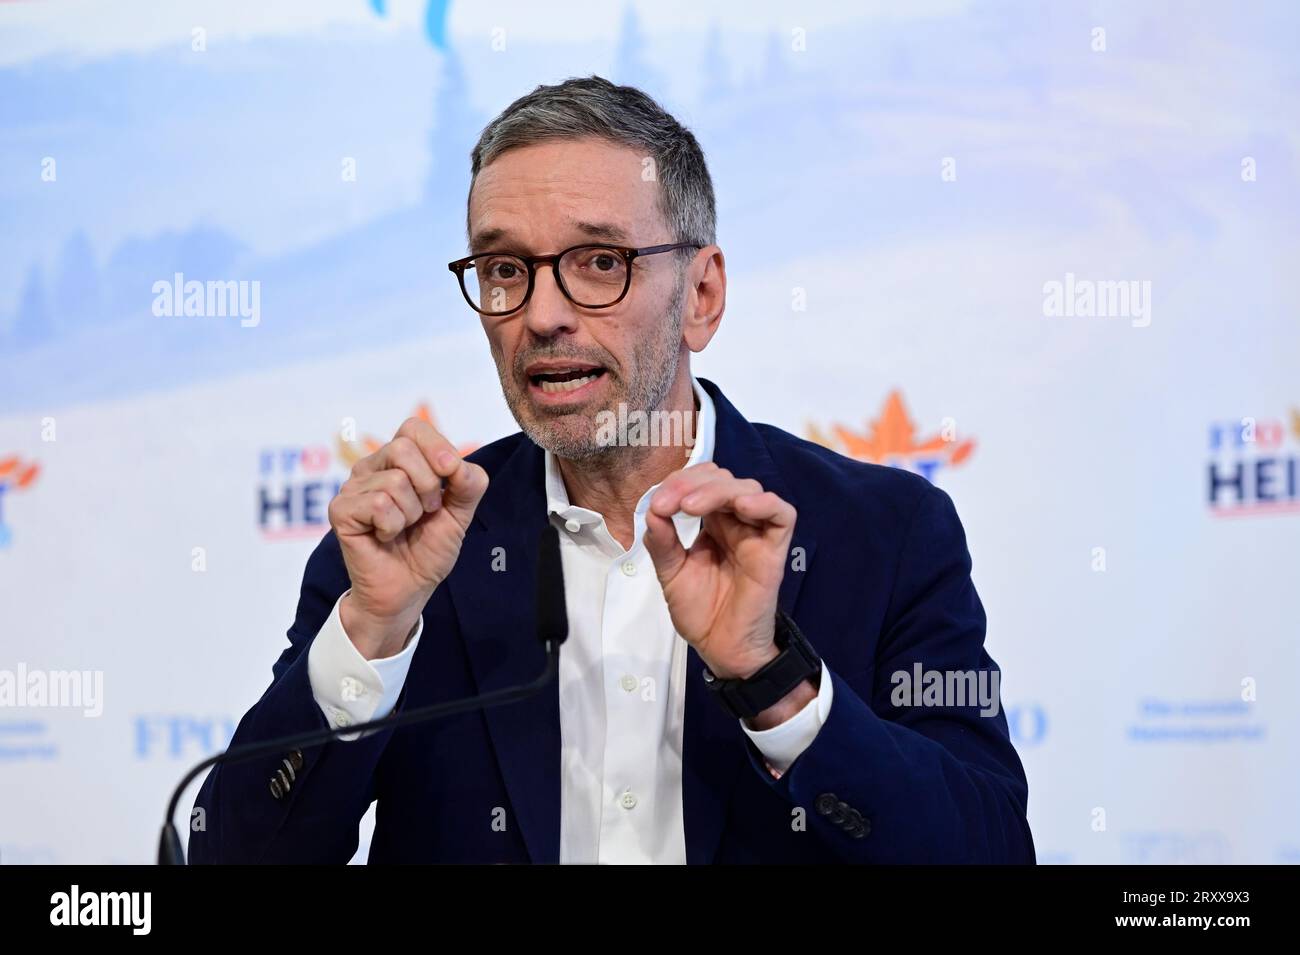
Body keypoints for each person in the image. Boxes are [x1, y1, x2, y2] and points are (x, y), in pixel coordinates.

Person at [190, 75, 1034, 864]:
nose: (543, 315)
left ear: (701, 296)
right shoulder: (406, 553)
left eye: (600, 262)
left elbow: (992, 847)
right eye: (504, 270)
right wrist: (371, 638)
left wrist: (772, 682)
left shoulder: (883, 533)